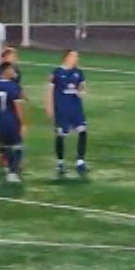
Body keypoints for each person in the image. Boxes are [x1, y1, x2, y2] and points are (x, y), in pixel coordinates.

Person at [46, 48, 89, 178]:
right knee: (61, 135)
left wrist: (82, 91)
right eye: (74, 56)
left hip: (76, 108)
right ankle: (60, 162)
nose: (76, 59)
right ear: (67, 57)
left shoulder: (79, 72)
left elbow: (83, 86)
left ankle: (80, 161)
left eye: (77, 57)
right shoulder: (56, 73)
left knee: (83, 131)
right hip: (62, 109)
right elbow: (49, 90)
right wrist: (49, 107)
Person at [0, 60, 26, 184]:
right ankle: (13, 173)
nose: (14, 72)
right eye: (12, 69)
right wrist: (23, 123)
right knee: (18, 147)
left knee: (5, 146)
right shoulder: (13, 86)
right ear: (6, 71)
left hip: (0, 120)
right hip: (12, 120)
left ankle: (9, 169)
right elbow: (17, 106)